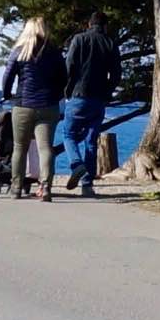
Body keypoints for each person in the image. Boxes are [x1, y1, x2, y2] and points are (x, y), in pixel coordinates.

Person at [3, 17, 68, 200]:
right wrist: (55, 95)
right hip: (48, 106)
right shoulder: (54, 53)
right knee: (45, 148)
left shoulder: (19, 52)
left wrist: (7, 94)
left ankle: (16, 187)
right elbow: (64, 79)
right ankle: (45, 187)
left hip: (23, 104)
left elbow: (8, 76)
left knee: (19, 148)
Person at [61, 12, 120, 196]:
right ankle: (87, 185)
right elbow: (117, 73)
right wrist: (108, 91)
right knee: (91, 141)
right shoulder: (110, 43)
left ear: (89, 24)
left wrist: (67, 90)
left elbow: (69, 66)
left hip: (79, 94)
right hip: (99, 99)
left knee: (69, 134)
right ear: (105, 26)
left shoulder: (79, 39)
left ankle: (77, 165)